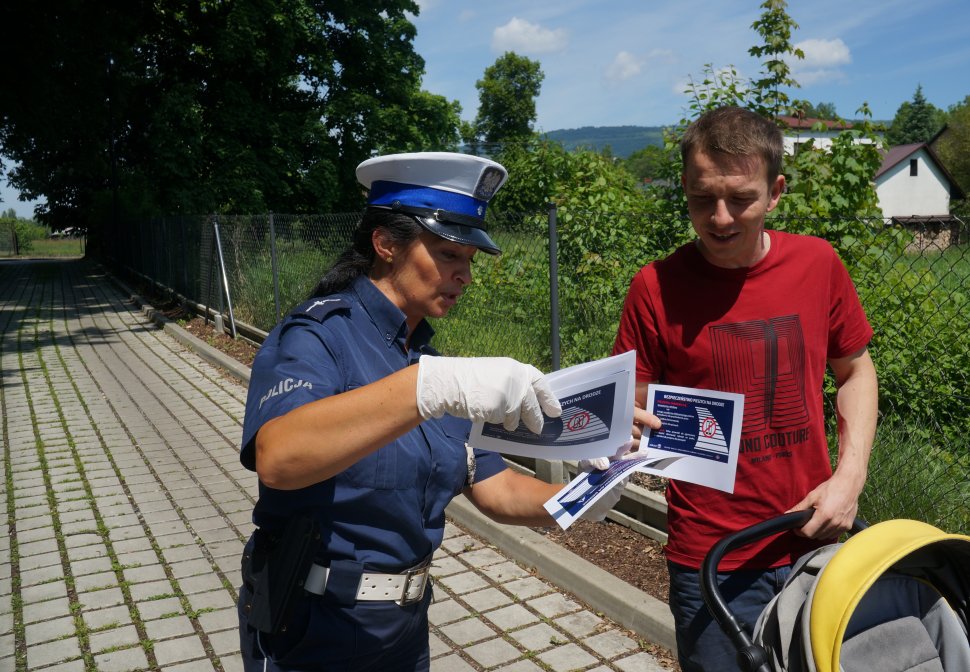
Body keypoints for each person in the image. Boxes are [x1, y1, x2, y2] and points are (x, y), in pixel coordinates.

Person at [236, 152, 621, 672]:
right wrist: (425, 388)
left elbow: (496, 489)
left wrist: (580, 499)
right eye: (447, 255)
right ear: (386, 243)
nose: (463, 276)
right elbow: (278, 458)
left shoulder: (430, 361)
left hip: (404, 631)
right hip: (312, 628)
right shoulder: (318, 336)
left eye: (469, 261)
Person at [612, 106, 879, 671]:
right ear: (683, 188)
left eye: (741, 197)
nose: (721, 217)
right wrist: (615, 430)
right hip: (713, 560)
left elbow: (855, 371)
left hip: (816, 535)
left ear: (776, 191)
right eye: (702, 198)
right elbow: (629, 406)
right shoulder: (655, 287)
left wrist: (849, 479)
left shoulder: (818, 263)